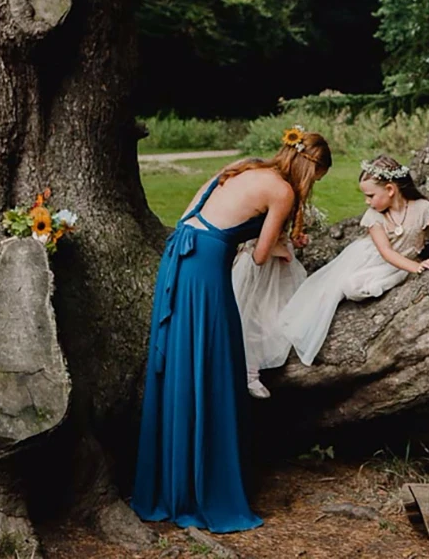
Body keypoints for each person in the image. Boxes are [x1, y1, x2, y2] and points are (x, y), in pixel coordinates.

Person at [131, 127, 331, 532]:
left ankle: (170, 482)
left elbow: (189, 215)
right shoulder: (283, 192)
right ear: (312, 171)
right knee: (213, 358)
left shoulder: (242, 168)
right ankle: (204, 487)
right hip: (205, 269)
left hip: (180, 251)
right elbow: (260, 256)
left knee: (185, 360)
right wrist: (280, 247)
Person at [278, 155, 429, 367]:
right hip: (371, 257)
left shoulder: (422, 208)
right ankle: (301, 327)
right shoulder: (374, 216)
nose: (367, 201)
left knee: (361, 285)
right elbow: (385, 251)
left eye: (370, 195)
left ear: (391, 190)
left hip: (401, 262)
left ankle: (385, 281)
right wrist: (416, 266)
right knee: (342, 288)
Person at [232, 235, 306, 398]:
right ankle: (249, 372)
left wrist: (292, 240)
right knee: (252, 316)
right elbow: (259, 238)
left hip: (279, 266)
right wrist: (280, 250)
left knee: (280, 312)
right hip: (261, 264)